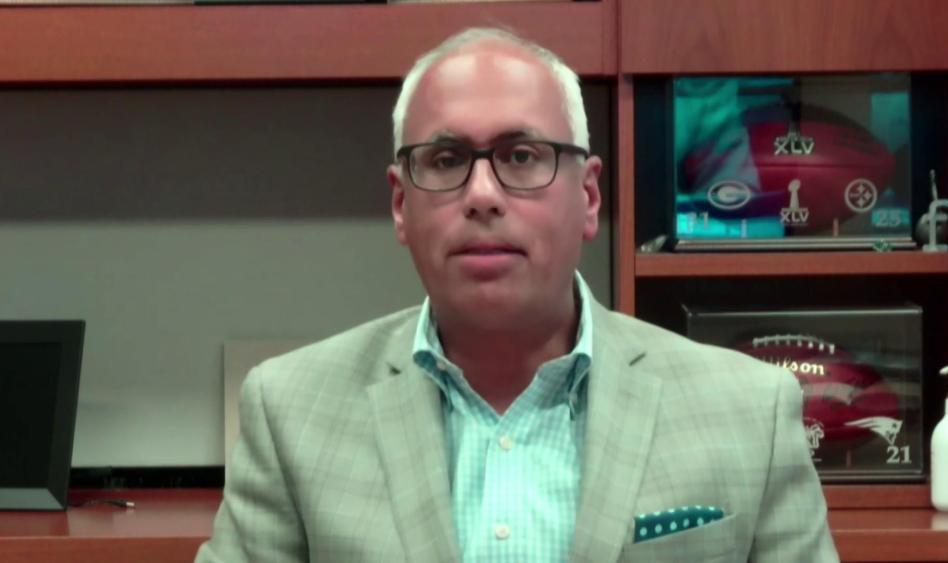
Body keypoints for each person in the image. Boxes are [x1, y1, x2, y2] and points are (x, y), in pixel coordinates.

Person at [196, 27, 838, 563]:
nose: (482, 194)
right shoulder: (290, 412)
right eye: (446, 160)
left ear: (589, 196)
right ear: (399, 204)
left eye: (522, 155)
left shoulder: (749, 412)